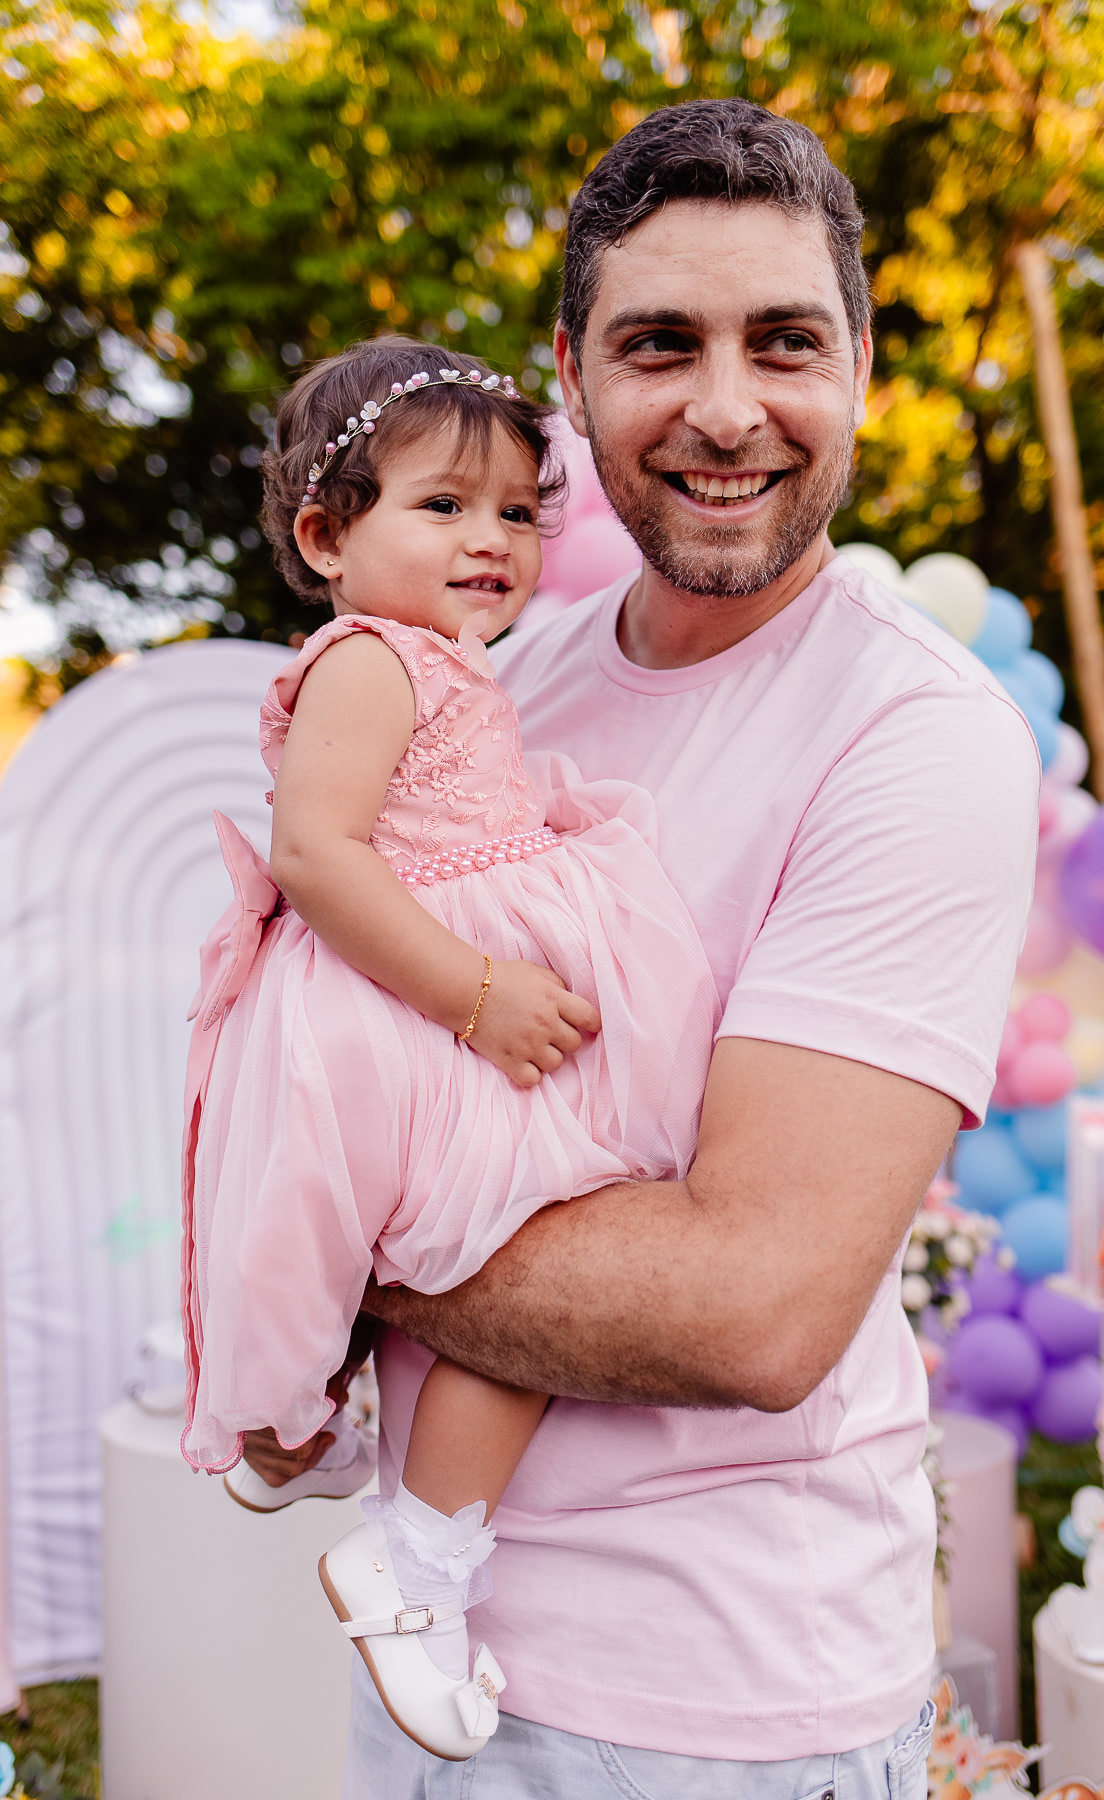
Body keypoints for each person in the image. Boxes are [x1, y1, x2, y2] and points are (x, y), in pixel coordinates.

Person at [247, 99, 1041, 1797]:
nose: (726, 406)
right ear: (572, 374)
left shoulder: (914, 735)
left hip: (714, 1716)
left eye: (786, 342)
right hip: (426, 1651)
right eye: (659, 343)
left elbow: (756, 1310)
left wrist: (308, 1225)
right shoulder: (485, 691)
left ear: (863, 367)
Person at [180, 336, 718, 1761]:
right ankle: (416, 1561)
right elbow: (314, 851)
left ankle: (292, 1445)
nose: (492, 539)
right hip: (404, 1008)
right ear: (325, 533)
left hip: (416, 1001)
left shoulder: (433, 659)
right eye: (442, 506)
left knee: (436, 1244)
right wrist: (479, 992)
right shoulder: (370, 664)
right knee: (526, 1238)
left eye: (517, 512)